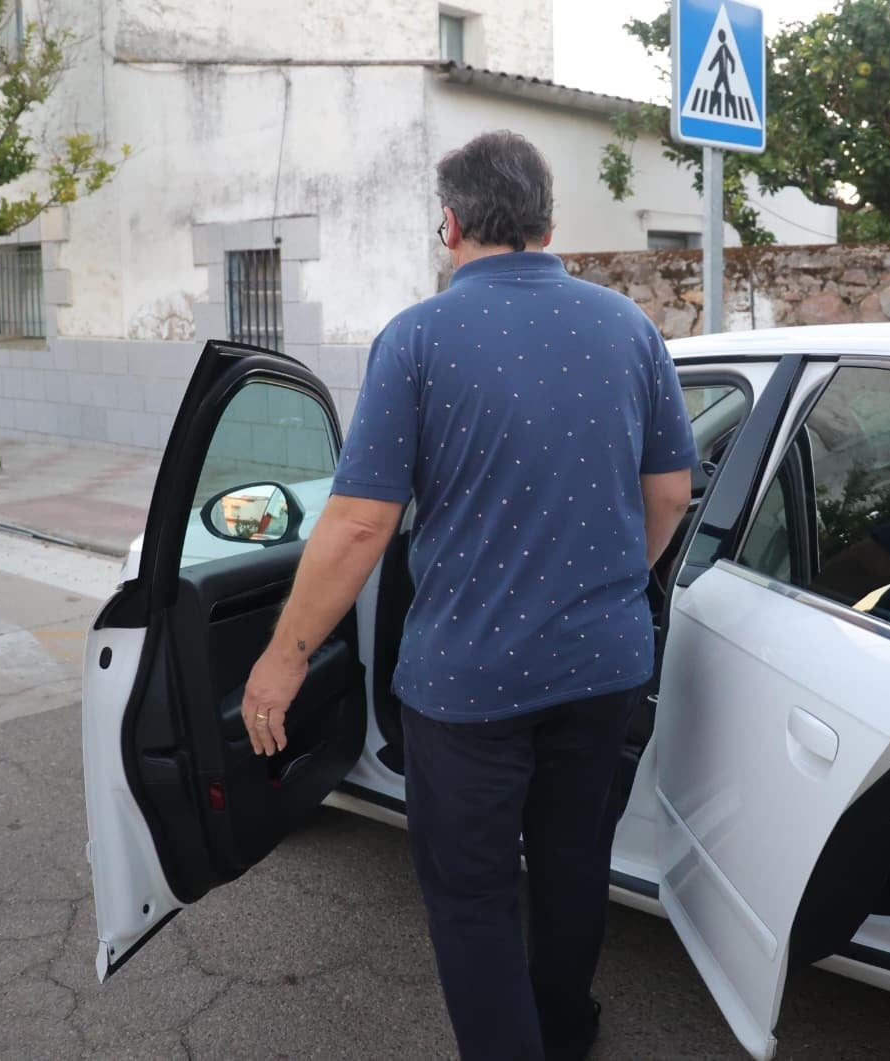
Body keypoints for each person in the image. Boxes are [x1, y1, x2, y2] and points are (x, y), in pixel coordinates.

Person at [238, 131, 697, 1060]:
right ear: (547, 222)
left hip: (470, 684)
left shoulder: (417, 338)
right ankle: (565, 1031)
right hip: (604, 666)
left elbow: (361, 526)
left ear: (449, 223)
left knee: (472, 896)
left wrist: (282, 659)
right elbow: (670, 495)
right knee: (574, 869)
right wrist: (607, 584)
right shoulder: (631, 329)